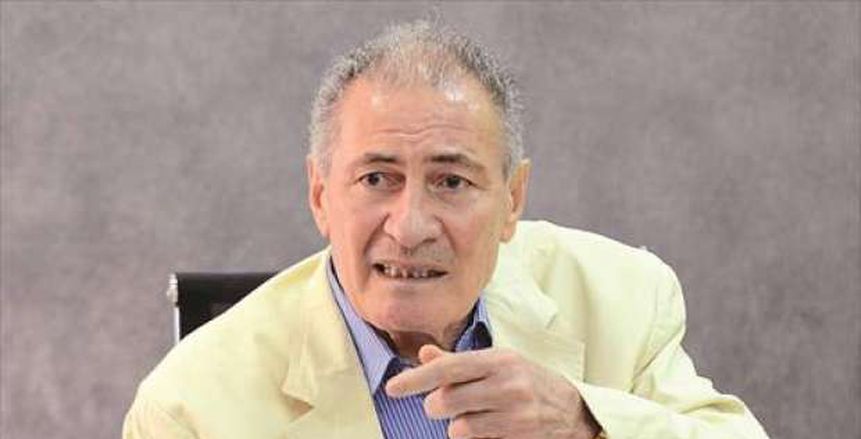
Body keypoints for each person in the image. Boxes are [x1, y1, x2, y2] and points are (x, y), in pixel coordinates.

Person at [123, 20, 769, 439]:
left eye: (451, 181)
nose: (409, 227)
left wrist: (583, 421)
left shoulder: (621, 296)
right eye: (377, 178)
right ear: (320, 195)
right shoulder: (190, 408)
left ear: (512, 199)